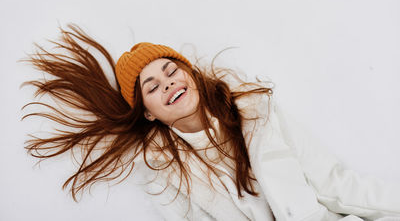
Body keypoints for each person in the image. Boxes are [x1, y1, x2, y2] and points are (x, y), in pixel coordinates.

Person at [23, 24, 400, 221]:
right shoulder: (165, 176)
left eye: (171, 70)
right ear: (149, 112)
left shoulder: (259, 113)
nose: (168, 82)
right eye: (152, 86)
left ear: (190, 73)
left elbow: (336, 185)